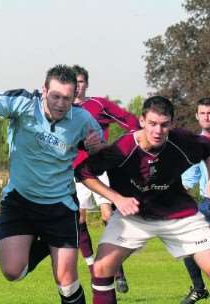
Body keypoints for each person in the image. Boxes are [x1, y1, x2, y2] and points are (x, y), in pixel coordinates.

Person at [0, 65, 103, 303]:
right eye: (56, 96)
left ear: (74, 97)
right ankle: (44, 246)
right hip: (19, 201)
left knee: (66, 282)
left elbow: (101, 152)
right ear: (44, 90)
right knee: (13, 272)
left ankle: (54, 246)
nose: (61, 104)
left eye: (67, 98)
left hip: (60, 207)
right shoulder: (24, 104)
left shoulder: (83, 120)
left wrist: (96, 149)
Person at [75, 96, 210, 304]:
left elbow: (208, 147)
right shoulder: (123, 148)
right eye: (153, 124)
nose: (158, 131)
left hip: (179, 216)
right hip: (134, 216)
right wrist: (117, 198)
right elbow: (84, 172)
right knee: (102, 268)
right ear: (142, 121)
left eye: (165, 125)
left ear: (172, 124)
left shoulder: (182, 141)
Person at [71, 65, 139, 293]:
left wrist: (123, 145)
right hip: (74, 172)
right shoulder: (62, 107)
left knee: (108, 216)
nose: (77, 86)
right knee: (78, 220)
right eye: (74, 82)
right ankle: (93, 268)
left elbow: (130, 121)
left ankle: (117, 269)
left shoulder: (98, 104)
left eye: (81, 81)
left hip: (99, 170)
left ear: (86, 84)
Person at [180, 97, 210, 304]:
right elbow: (188, 179)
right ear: (197, 116)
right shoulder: (196, 144)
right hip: (208, 205)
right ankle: (199, 289)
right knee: (185, 241)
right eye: (203, 113)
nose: (207, 117)